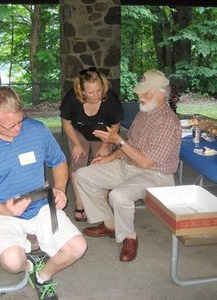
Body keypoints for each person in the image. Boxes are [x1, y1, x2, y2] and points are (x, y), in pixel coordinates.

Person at [0, 86, 87, 300]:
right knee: (12, 262)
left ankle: (42, 276)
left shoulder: (36, 130)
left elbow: (58, 162)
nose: (17, 129)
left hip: (40, 206)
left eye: (20, 121)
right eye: (9, 125)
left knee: (77, 247)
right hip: (0, 213)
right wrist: (3, 208)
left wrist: (59, 188)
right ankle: (30, 265)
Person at [74, 69, 181, 262]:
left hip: (155, 175)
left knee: (119, 195)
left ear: (160, 93)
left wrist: (118, 142)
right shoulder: (145, 111)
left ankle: (129, 237)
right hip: (129, 166)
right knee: (83, 175)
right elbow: (131, 143)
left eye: (144, 91)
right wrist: (111, 156)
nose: (139, 94)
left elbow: (146, 162)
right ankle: (110, 223)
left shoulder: (167, 122)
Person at [59, 67, 123, 222]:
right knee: (79, 159)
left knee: (102, 163)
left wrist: (104, 147)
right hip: (79, 132)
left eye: (99, 91)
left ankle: (102, 205)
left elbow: (115, 126)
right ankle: (80, 205)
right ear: (82, 91)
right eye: (91, 92)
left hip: (103, 134)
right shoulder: (72, 98)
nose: (97, 95)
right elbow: (66, 123)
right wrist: (76, 144)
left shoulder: (111, 100)